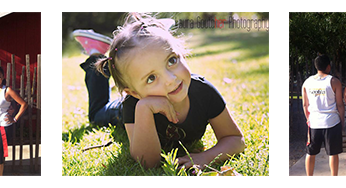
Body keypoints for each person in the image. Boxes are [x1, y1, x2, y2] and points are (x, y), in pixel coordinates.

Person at [80, 13, 245, 169]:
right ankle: (95, 55)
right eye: (151, 78)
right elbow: (147, 162)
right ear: (135, 93)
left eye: (172, 60)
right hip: (119, 111)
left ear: (182, 54)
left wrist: (206, 156)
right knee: (96, 115)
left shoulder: (203, 92)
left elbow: (235, 139)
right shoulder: (133, 103)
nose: (171, 79)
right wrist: (144, 108)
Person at [302, 54, 345, 176]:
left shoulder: (307, 82)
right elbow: (340, 105)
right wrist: (342, 121)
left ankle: (309, 177)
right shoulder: (334, 81)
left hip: (314, 122)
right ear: (328, 67)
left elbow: (305, 105)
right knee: (333, 153)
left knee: (310, 152)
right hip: (332, 121)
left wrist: (309, 120)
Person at [0, 66, 27, 176]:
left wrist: (14, 118)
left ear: (3, 77)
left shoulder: (7, 90)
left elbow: (24, 104)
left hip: (2, 126)